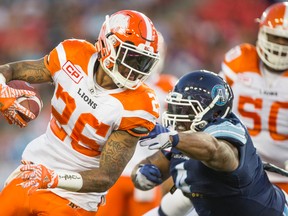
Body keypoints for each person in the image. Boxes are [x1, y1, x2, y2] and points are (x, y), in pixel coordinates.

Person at [0, 9, 161, 216]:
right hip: (32, 171)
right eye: (130, 56)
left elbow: (106, 176)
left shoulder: (140, 105)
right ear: (107, 44)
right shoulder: (73, 54)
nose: (135, 68)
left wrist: (54, 178)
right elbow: (10, 70)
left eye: (141, 61)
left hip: (74, 198)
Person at [131, 70, 288, 216]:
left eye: (187, 110)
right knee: (176, 201)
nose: (178, 116)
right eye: (177, 108)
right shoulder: (184, 139)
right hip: (214, 207)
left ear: (216, 113)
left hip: (269, 212)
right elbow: (153, 163)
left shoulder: (227, 131)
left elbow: (213, 149)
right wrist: (141, 174)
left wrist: (173, 138)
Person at [96, 31, 178, 216]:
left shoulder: (169, 86)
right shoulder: (113, 83)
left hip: (145, 171)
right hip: (114, 172)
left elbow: (177, 133)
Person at [219, 2, 288, 193]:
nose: (280, 47)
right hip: (239, 170)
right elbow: (213, 107)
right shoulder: (240, 61)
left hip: (284, 176)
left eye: (286, 41)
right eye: (276, 38)